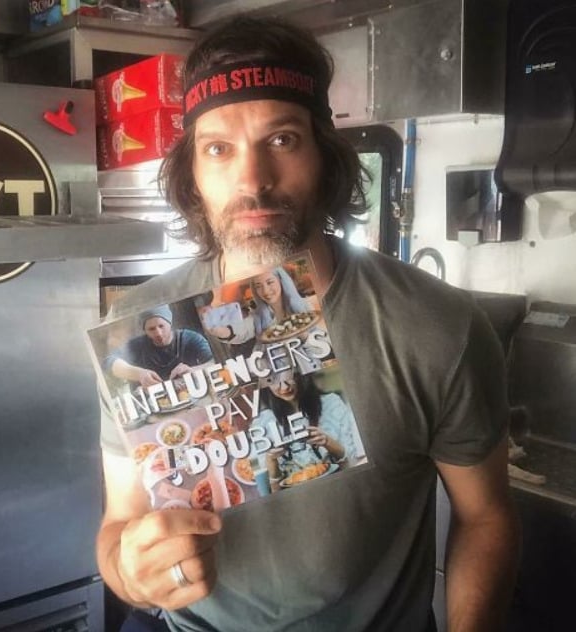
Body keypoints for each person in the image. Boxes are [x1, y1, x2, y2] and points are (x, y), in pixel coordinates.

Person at [95, 14, 518, 632]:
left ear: (325, 152)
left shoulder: (439, 325)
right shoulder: (135, 323)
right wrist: (128, 570)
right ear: (192, 171)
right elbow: (117, 526)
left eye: (283, 140)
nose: (253, 180)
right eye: (219, 149)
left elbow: (486, 518)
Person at [255, 369, 359, 476]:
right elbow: (268, 487)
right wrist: (271, 460)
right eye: (273, 380)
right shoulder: (261, 422)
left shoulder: (332, 403)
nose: (285, 387)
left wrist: (328, 442)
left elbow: (355, 461)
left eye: (288, 376)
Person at [104, 304, 214, 387]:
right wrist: (139, 374)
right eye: (151, 329)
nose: (158, 333)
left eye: (161, 326)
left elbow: (214, 361)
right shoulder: (137, 345)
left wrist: (194, 370)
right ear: (145, 330)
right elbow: (109, 361)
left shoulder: (191, 338)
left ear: (170, 324)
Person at [205, 266, 313, 343]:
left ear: (282, 281)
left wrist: (305, 337)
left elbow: (323, 341)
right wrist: (222, 332)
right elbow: (242, 330)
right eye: (258, 286)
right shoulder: (258, 316)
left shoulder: (306, 306)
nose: (265, 291)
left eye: (270, 282)